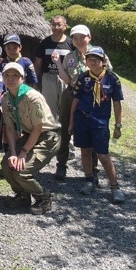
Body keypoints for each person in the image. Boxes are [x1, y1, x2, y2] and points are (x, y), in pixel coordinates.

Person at [1, 62, 60, 215]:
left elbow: (38, 128)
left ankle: (44, 197)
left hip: (47, 137)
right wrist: (13, 152)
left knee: (22, 170)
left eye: (15, 76)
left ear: (22, 78)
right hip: (28, 134)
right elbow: (9, 127)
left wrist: (23, 152)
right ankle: (22, 195)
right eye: (7, 75)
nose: (10, 79)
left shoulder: (33, 97)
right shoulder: (6, 98)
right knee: (7, 165)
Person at [53, 24, 110, 182]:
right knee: (64, 128)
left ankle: (93, 167)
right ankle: (61, 163)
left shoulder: (98, 54)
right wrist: (58, 64)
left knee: (92, 129)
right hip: (71, 94)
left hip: (92, 96)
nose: (78, 40)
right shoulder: (70, 57)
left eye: (82, 37)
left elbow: (108, 74)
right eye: (75, 38)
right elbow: (66, 79)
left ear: (89, 37)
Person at [69, 46, 125, 204]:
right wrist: (71, 121)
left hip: (100, 122)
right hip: (82, 119)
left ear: (103, 61)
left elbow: (117, 104)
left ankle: (115, 187)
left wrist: (118, 126)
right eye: (89, 59)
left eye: (96, 60)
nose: (92, 62)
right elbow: (75, 100)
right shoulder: (83, 78)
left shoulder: (112, 79)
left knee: (103, 155)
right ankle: (89, 180)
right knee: (85, 151)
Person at [34, 15, 72, 118]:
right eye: (54, 25)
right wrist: (37, 81)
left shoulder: (70, 43)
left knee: (65, 107)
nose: (56, 27)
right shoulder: (45, 43)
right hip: (48, 77)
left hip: (65, 78)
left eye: (59, 25)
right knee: (49, 108)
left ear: (65, 26)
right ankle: (51, 132)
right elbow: (37, 63)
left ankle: (64, 131)